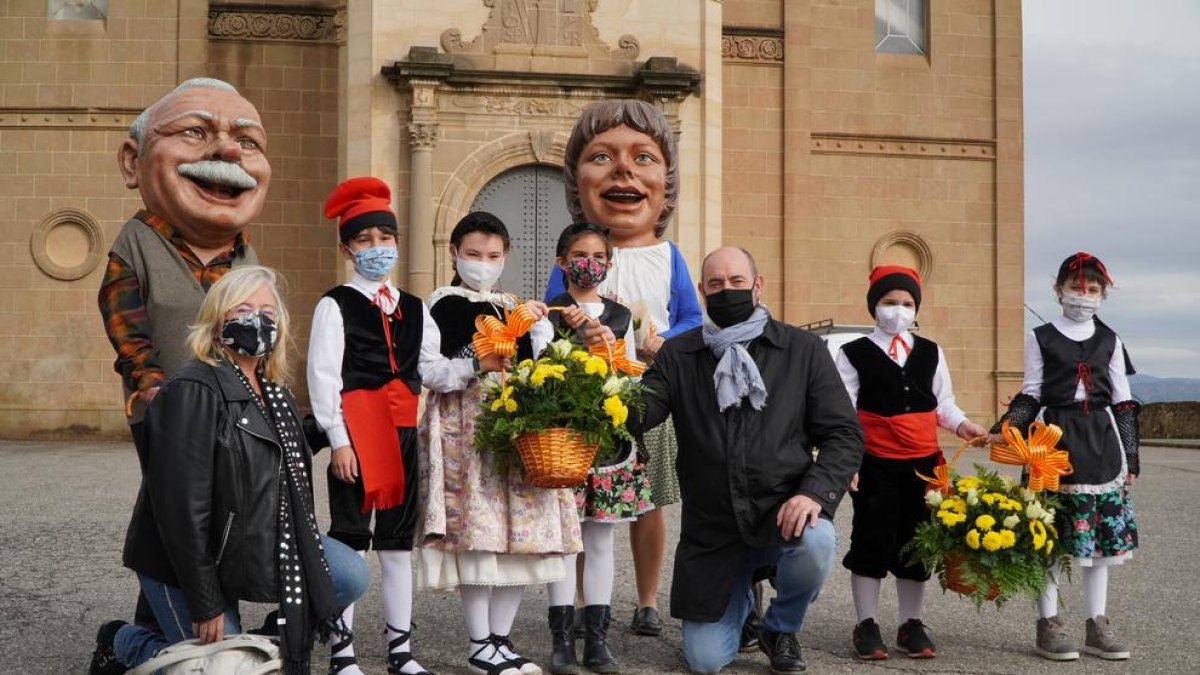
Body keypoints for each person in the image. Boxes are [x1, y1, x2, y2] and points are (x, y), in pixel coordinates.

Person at [89, 266, 369, 674]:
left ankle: (262, 641)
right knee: (221, 668)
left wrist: (332, 431)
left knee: (348, 574)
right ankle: (122, 643)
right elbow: (181, 512)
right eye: (243, 308)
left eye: (268, 313)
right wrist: (206, 601)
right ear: (217, 320)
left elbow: (263, 451)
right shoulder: (192, 390)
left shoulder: (273, 391)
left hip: (246, 542)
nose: (257, 320)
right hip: (182, 559)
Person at [92, 76, 270, 673]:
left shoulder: (247, 256)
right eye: (196, 132)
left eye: (247, 141)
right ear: (132, 160)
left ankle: (142, 633)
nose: (226, 153)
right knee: (176, 506)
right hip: (166, 412)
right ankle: (150, 631)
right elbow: (126, 326)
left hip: (232, 413)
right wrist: (153, 386)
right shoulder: (136, 242)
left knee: (210, 511)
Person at [620, 246, 862, 674]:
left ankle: (781, 627)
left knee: (818, 540)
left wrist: (814, 494)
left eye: (736, 282)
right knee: (706, 661)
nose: (726, 290)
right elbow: (643, 410)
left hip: (782, 509)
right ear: (701, 292)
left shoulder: (802, 350)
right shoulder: (680, 355)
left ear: (757, 285)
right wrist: (601, 389)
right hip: (714, 527)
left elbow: (843, 434)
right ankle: (743, 601)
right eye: (715, 284)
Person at [309, 178, 509, 675]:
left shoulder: (416, 308)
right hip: (357, 434)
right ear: (347, 248)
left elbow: (435, 371)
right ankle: (343, 651)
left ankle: (401, 650)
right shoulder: (334, 304)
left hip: (403, 432)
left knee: (399, 544)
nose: (377, 248)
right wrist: (338, 441)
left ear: (397, 243)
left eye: (385, 238)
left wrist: (478, 365)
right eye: (365, 240)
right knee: (352, 537)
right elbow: (322, 376)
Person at [545, 99, 703, 637]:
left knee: (650, 499)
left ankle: (647, 598)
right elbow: (547, 322)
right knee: (587, 503)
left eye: (643, 157)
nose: (624, 171)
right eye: (602, 157)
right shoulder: (569, 264)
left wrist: (664, 340)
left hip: (647, 391)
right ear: (577, 181)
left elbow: (690, 317)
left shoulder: (669, 256)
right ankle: (592, 604)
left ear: (667, 181)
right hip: (588, 395)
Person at [418, 212, 580, 675]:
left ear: (505, 255)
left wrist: (540, 331)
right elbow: (428, 371)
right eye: (473, 255)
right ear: (454, 253)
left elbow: (539, 363)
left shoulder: (513, 304)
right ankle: (478, 644)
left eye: (492, 256)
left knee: (523, 536)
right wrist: (475, 366)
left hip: (519, 424)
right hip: (466, 426)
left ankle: (502, 640)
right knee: (481, 533)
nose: (483, 264)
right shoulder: (442, 306)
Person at [835, 265, 988, 660]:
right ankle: (866, 623)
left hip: (924, 464)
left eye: (905, 303)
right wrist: (847, 460)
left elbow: (943, 405)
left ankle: (910, 623)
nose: (897, 310)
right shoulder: (852, 354)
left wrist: (964, 425)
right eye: (889, 302)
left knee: (916, 543)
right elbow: (844, 412)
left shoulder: (932, 352)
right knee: (871, 539)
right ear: (874, 306)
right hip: (875, 463)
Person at [993, 252, 1140, 662]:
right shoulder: (1039, 337)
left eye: (1093, 290)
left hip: (1101, 443)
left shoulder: (1111, 340)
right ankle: (1050, 624)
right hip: (1052, 443)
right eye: (1076, 288)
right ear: (1059, 290)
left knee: (1098, 548)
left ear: (1102, 295)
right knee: (1051, 539)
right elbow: (1031, 392)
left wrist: (1132, 455)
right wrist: (1005, 428)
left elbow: (1124, 401)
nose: (1084, 295)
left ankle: (1098, 624)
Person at [544, 223, 654, 675]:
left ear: (609, 264)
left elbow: (630, 377)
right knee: (565, 544)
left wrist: (617, 357)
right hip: (561, 441)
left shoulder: (622, 315)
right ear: (561, 262)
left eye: (597, 257)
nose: (588, 264)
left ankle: (599, 638)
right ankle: (562, 641)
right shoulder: (547, 314)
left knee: (601, 539)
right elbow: (535, 371)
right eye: (578, 255)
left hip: (608, 441)